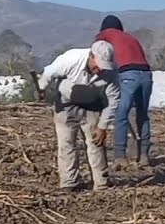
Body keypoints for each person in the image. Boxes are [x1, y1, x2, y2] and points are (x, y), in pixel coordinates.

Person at [36, 41, 119, 191]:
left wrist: (102, 126)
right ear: (91, 55)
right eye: (97, 65)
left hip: (92, 105)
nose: (100, 69)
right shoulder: (71, 59)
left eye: (104, 66)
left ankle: (101, 183)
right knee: (66, 142)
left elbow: (113, 99)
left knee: (96, 142)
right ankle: (69, 183)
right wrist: (41, 89)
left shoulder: (111, 71)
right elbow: (49, 72)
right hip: (66, 104)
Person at [94, 15, 153, 166]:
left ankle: (120, 156)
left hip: (128, 75)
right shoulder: (130, 37)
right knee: (142, 115)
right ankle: (144, 156)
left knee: (121, 114)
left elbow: (97, 54)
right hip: (146, 75)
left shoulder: (105, 35)